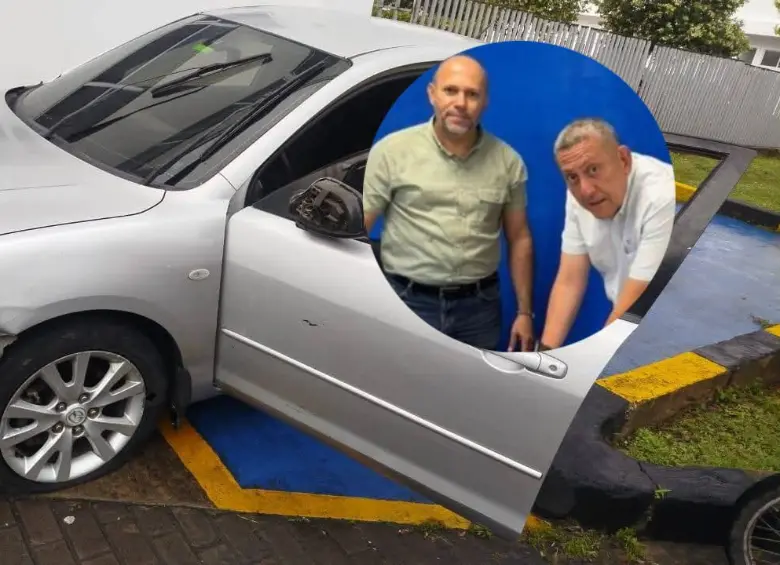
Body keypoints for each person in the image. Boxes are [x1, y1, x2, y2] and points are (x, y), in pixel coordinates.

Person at [362, 54, 535, 352]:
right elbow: (358, 226)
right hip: (404, 300)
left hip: (480, 312)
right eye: (450, 90)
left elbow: (519, 238)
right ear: (432, 94)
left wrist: (524, 313)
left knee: (467, 395)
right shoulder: (391, 152)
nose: (461, 103)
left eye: (472, 94)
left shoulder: (508, 162)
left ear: (484, 102)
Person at [539, 118, 676, 350]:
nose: (586, 190)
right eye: (572, 177)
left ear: (623, 160)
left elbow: (633, 304)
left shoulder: (661, 195)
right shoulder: (577, 194)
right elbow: (570, 281)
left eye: (593, 170)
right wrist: (543, 354)